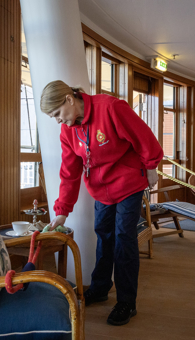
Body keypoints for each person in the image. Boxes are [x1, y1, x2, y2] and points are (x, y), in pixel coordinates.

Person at [40, 80, 163, 326]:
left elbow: (144, 137)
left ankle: (127, 302)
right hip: (101, 189)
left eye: (56, 114)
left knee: (123, 237)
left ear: (68, 99)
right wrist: (62, 211)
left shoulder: (111, 108)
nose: (57, 121)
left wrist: (151, 167)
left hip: (128, 182)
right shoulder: (68, 130)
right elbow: (69, 172)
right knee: (104, 236)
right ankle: (100, 287)